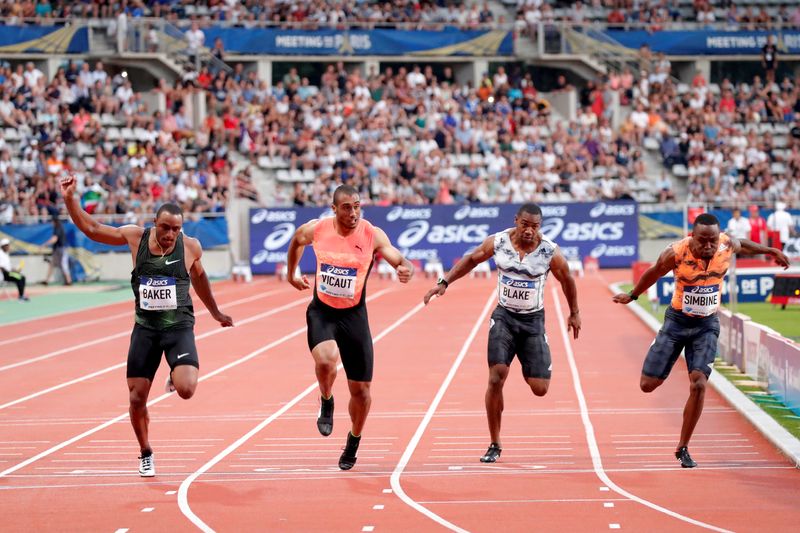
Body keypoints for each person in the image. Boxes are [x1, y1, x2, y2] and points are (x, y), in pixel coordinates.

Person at [59, 174, 233, 477]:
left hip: (178, 327)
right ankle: (145, 451)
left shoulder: (190, 246)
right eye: (165, 227)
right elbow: (91, 228)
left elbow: (200, 278)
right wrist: (70, 199)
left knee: (187, 389)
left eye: (176, 229)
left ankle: (173, 368)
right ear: (154, 222)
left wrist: (216, 312)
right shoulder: (135, 237)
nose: (170, 234)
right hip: (146, 329)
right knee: (136, 398)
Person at [612, 213, 789, 468]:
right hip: (676, 323)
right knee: (647, 385)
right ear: (692, 237)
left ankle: (683, 446)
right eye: (702, 241)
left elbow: (743, 243)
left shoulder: (726, 244)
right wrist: (633, 294)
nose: (708, 246)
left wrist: (771, 250)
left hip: (706, 325)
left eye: (712, 241)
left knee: (698, 384)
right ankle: (659, 350)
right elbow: (654, 272)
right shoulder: (675, 252)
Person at [423, 203, 581, 463]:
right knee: (496, 378)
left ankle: (526, 357)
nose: (529, 230)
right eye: (525, 224)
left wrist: (574, 312)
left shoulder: (549, 251)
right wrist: (444, 282)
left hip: (532, 322)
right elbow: (471, 259)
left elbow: (568, 280)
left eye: (535, 226)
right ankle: (495, 442)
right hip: (504, 318)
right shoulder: (498, 242)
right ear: (516, 221)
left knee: (540, 388)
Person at [286, 184, 414, 470]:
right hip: (322, 312)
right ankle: (326, 399)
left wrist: (405, 268)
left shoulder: (371, 234)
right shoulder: (317, 230)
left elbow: (398, 257)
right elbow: (296, 240)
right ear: (334, 209)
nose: (354, 212)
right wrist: (291, 274)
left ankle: (354, 439)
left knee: (362, 392)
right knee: (326, 360)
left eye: (357, 206)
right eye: (347, 207)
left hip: (354, 317)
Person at [43, 217, 72, 286]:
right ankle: (46, 280)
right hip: (57, 249)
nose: (51, 223)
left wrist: (45, 244)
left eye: (52, 222)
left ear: (54, 222)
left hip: (61, 249)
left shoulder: (58, 228)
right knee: (52, 264)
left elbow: (54, 239)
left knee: (64, 264)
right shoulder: (58, 228)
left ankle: (69, 281)